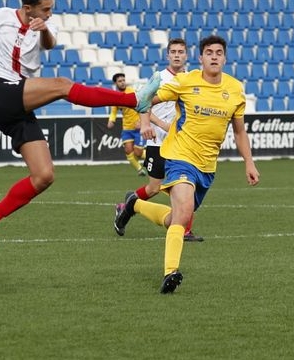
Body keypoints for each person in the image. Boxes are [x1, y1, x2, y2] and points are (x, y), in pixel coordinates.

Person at [0, 0, 161, 253]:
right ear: (27, 7)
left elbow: (49, 43)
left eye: (50, 9)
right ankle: (133, 100)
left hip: (19, 104)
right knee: (61, 85)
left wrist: (44, 27)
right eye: (45, 9)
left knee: (44, 175)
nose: (49, 13)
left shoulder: (47, 22)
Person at [113, 35, 260, 294]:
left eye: (219, 52)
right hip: (179, 156)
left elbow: (239, 132)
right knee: (182, 214)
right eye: (209, 52)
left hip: (207, 166)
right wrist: (145, 121)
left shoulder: (235, 89)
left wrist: (249, 162)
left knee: (174, 219)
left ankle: (135, 204)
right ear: (201, 58)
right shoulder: (184, 81)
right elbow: (147, 99)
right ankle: (171, 273)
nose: (214, 56)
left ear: (225, 58)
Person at [114, 37, 203, 242]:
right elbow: (144, 103)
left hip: (180, 144)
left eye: (181, 52)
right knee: (153, 188)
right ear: (168, 55)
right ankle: (125, 206)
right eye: (173, 52)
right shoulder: (159, 78)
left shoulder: (191, 79)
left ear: (186, 55)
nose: (177, 55)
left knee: (187, 184)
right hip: (158, 142)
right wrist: (157, 125)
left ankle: (185, 230)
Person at [107, 72, 147, 176]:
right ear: (116, 83)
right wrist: (111, 120)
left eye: (123, 80)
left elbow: (142, 106)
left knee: (138, 153)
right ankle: (139, 169)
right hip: (127, 129)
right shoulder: (115, 97)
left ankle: (156, 159)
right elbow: (114, 111)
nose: (122, 83)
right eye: (119, 81)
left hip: (138, 128)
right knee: (128, 150)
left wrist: (141, 121)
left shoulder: (132, 92)